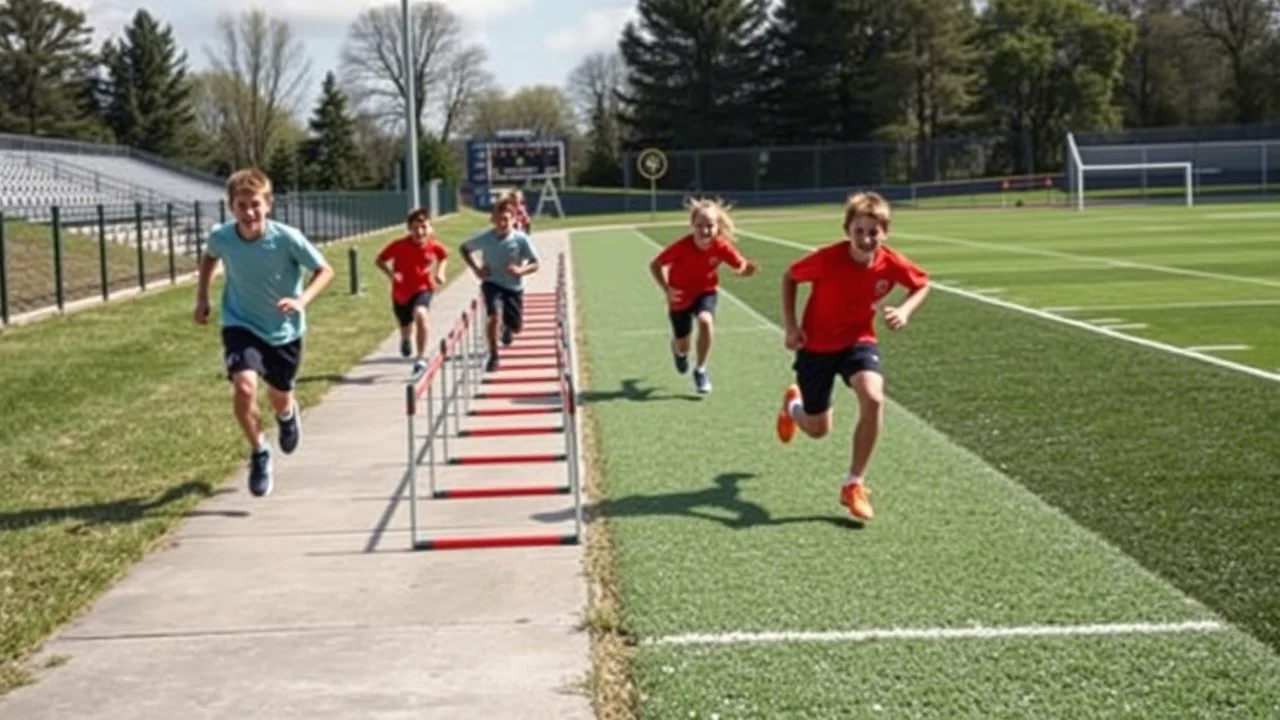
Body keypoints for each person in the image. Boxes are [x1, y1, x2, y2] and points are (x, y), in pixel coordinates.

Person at [775, 191, 930, 521]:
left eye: (873, 232)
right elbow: (790, 277)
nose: (866, 238)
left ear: (884, 232)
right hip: (815, 348)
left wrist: (905, 310)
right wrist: (790, 326)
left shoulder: (892, 262)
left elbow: (922, 284)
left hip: (858, 342)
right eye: (859, 231)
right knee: (817, 430)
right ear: (848, 231)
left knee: (873, 398)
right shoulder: (826, 259)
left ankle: (853, 484)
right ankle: (792, 406)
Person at [194, 168, 334, 498]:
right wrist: (202, 296)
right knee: (244, 388)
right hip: (239, 323)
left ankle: (287, 415)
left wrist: (302, 300)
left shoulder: (287, 238)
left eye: (255, 204)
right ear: (231, 207)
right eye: (242, 205)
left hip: (284, 331)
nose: (249, 212)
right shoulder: (222, 236)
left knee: (278, 396)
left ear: (268, 204)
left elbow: (325, 270)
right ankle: (259, 451)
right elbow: (209, 257)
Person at [648, 198, 758, 394]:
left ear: (717, 227)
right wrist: (667, 290)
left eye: (710, 226)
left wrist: (744, 269)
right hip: (680, 296)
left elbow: (739, 262)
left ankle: (700, 369)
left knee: (705, 321)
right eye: (700, 226)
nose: (705, 231)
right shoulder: (682, 247)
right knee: (683, 345)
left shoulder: (721, 246)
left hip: (705, 291)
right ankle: (678, 351)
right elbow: (655, 265)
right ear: (692, 226)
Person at [459, 193, 540, 372]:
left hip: (513, 287)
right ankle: (494, 356)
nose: (502, 224)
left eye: (506, 220)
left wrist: (520, 270)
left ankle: (508, 328)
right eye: (498, 220)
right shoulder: (485, 238)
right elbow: (464, 249)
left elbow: (536, 263)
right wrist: (477, 269)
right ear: (492, 220)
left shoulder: (520, 239)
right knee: (493, 316)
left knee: (517, 327)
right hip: (491, 283)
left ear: (513, 220)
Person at [375, 209, 449, 373]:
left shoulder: (433, 246)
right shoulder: (398, 245)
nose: (420, 232)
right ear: (409, 228)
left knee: (421, 314)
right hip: (401, 292)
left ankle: (421, 358)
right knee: (406, 325)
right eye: (415, 228)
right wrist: (391, 275)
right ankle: (405, 339)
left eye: (424, 227)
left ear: (430, 228)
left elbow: (444, 256)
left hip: (423, 288)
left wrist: (440, 272)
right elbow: (379, 260)